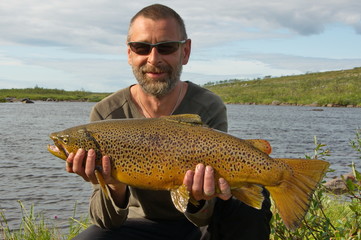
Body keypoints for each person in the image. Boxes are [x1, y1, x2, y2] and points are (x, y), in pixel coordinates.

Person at [67, 4, 272, 240]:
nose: (154, 59)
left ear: (185, 52)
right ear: (129, 54)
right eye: (141, 47)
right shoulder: (106, 115)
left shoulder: (208, 106)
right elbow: (105, 222)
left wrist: (198, 199)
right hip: (137, 226)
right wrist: (113, 185)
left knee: (249, 206)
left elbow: (207, 214)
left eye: (166, 48)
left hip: (198, 225)